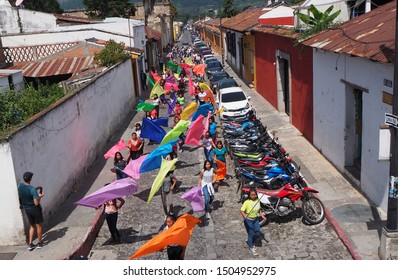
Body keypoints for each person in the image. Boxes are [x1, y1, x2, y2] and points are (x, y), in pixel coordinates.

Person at [18, 172, 45, 251]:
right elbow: (36, 203)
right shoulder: (32, 189)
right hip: (34, 209)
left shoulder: (20, 186)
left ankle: (30, 244)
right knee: (38, 226)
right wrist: (40, 196)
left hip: (27, 210)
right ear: (30, 179)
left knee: (32, 226)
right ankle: (40, 243)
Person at [240, 188, 267, 256]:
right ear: (249, 195)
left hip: (255, 219)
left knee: (257, 233)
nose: (253, 196)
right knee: (251, 233)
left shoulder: (258, 201)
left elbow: (259, 210)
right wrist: (244, 215)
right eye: (251, 195)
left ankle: (250, 240)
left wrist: (262, 216)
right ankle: (251, 246)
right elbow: (241, 210)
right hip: (248, 220)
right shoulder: (247, 202)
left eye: (254, 195)